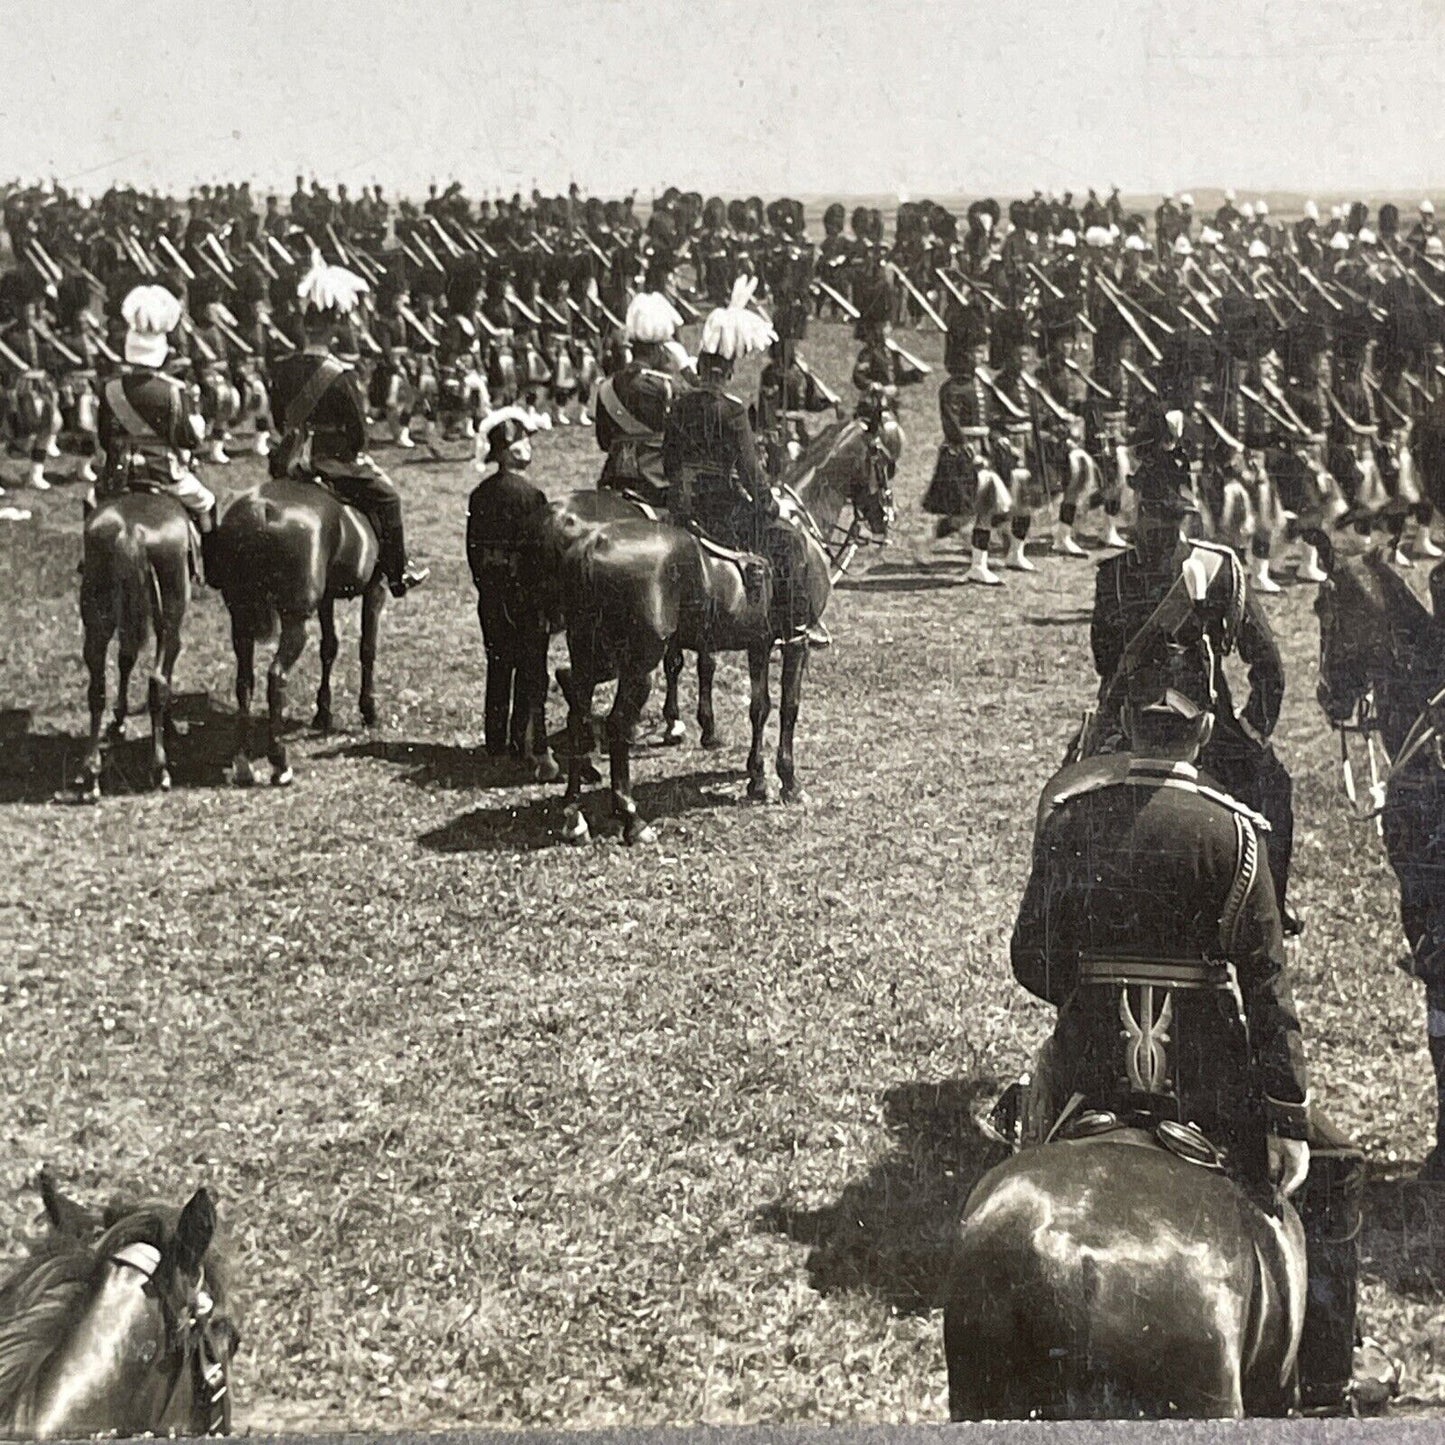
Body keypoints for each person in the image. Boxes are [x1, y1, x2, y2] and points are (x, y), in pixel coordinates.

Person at [1008, 649, 1371, 1412]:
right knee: (1334, 1168)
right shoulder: (1236, 833)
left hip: (1088, 1070)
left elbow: (1031, 964)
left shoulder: (1070, 815)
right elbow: (1266, 989)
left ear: (1125, 725)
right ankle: (1329, 1385)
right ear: (1203, 727)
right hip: (1205, 1082)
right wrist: (1285, 1114)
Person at [1090, 407, 1300, 933]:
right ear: (1186, 515)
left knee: (1067, 800)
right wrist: (1253, 727)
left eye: (1157, 517)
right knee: (1271, 789)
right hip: (1204, 727)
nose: (1157, 528)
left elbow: (1104, 660)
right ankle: (1270, 911)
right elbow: (1267, 664)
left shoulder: (1113, 576)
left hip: (1130, 726)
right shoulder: (1220, 566)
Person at [268, 260, 428, 597]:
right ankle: (397, 575)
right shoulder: (340, 375)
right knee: (388, 497)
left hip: (290, 461)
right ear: (334, 329)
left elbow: (277, 418)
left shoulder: (282, 369)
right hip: (332, 461)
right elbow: (358, 435)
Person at [93, 282, 218, 581]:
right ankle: (212, 567)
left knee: (91, 502)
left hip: (120, 475)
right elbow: (191, 439)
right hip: (166, 474)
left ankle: (93, 567)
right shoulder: (173, 392)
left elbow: (105, 439)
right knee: (207, 502)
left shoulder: (110, 389)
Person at [466, 407, 550, 758]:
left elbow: (472, 549)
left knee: (498, 664)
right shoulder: (532, 497)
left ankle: (494, 740)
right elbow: (541, 553)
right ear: (509, 451)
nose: (529, 447)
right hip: (525, 591)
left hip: (491, 589)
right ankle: (523, 740)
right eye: (523, 443)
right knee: (531, 667)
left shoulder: (480, 493)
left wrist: (485, 583)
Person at [594, 288, 684, 507]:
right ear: (658, 350)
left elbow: (604, 442)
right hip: (657, 483)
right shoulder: (667, 386)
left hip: (615, 478)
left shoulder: (606, 387)